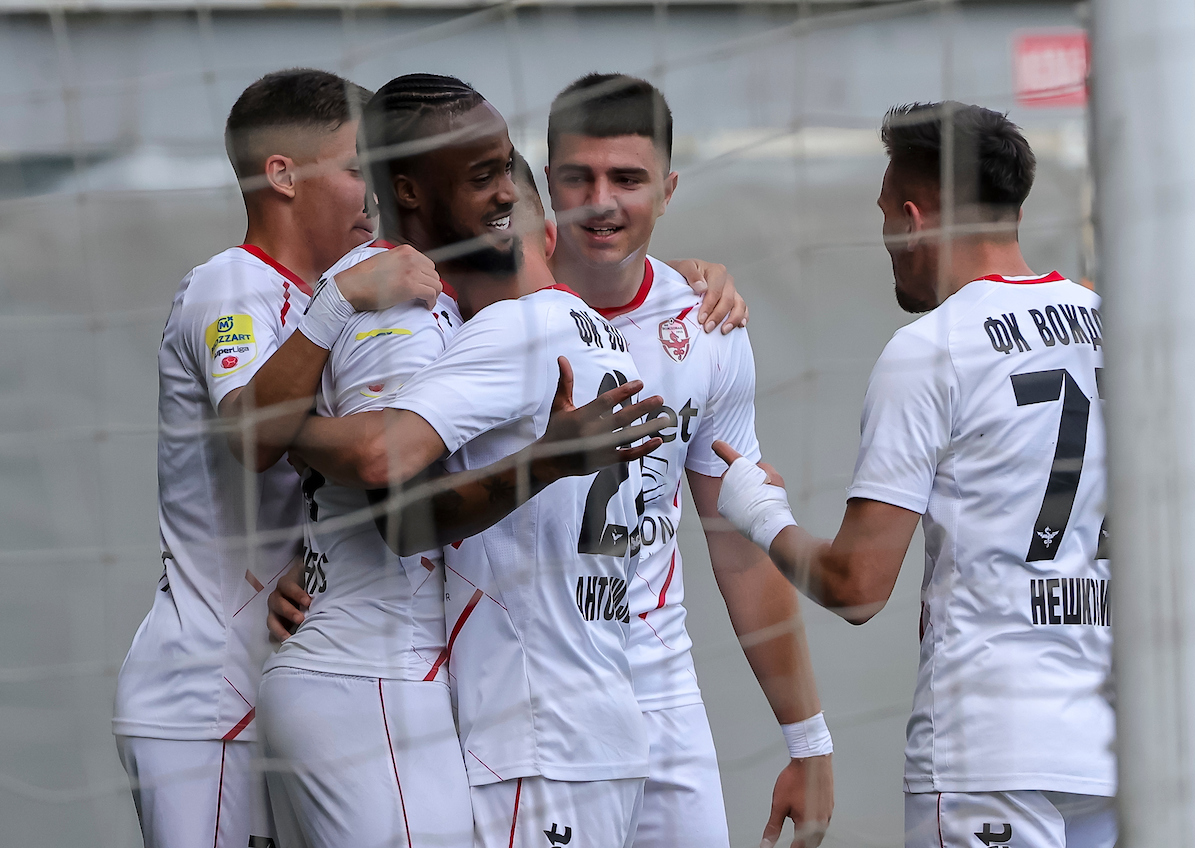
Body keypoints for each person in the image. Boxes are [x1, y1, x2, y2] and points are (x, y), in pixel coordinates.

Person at [266, 73, 659, 848]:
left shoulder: (504, 331)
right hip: (603, 723)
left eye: (503, 179)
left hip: (532, 736)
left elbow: (387, 475)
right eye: (484, 177)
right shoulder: (607, 335)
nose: (499, 195)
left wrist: (283, 426)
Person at [713, 102, 1114, 848]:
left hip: (986, 751)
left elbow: (857, 586)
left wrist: (759, 512)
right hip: (1110, 748)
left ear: (912, 217)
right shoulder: (1106, 326)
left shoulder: (932, 348)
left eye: (883, 215)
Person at [112, 68, 439, 848]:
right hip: (206, 693)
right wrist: (344, 299)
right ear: (284, 175)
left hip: (295, 681)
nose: (374, 193)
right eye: (357, 167)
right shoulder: (230, 285)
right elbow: (255, 436)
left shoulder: (335, 294)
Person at [542, 73, 834, 848]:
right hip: (533, 695)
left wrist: (808, 741)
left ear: (667, 190)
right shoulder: (490, 309)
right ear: (546, 183)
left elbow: (738, 545)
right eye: (578, 178)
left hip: (661, 690)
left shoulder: (707, 325)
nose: (601, 201)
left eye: (627, 179)